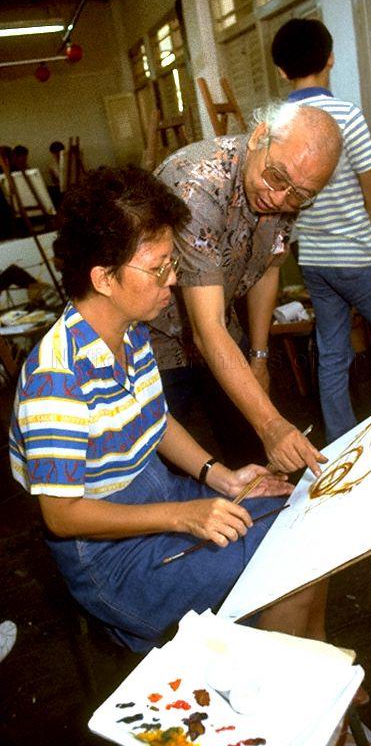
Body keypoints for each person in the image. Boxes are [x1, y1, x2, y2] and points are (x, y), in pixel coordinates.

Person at [9, 166, 328, 654]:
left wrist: (223, 478)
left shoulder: (130, 332)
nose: (173, 278)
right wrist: (185, 515)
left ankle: (319, 669)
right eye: (159, 267)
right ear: (104, 278)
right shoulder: (56, 379)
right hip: (111, 559)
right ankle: (287, 683)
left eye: (171, 262)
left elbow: (153, 420)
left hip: (157, 498)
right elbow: (63, 516)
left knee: (303, 514)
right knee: (290, 554)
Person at [150, 101, 342, 474]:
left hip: (220, 326)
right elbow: (206, 330)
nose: (279, 198)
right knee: (165, 468)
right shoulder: (197, 185)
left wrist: (259, 357)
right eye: (277, 178)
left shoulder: (287, 184)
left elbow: (267, 269)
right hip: (155, 340)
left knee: (253, 458)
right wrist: (271, 425)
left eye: (299, 195)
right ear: (259, 136)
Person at [271, 19, 371, 442]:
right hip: (359, 255)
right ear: (330, 59)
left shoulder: (278, 123)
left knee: (332, 352)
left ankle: (338, 442)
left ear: (282, 71)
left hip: (314, 260)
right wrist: (370, 241)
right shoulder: (346, 115)